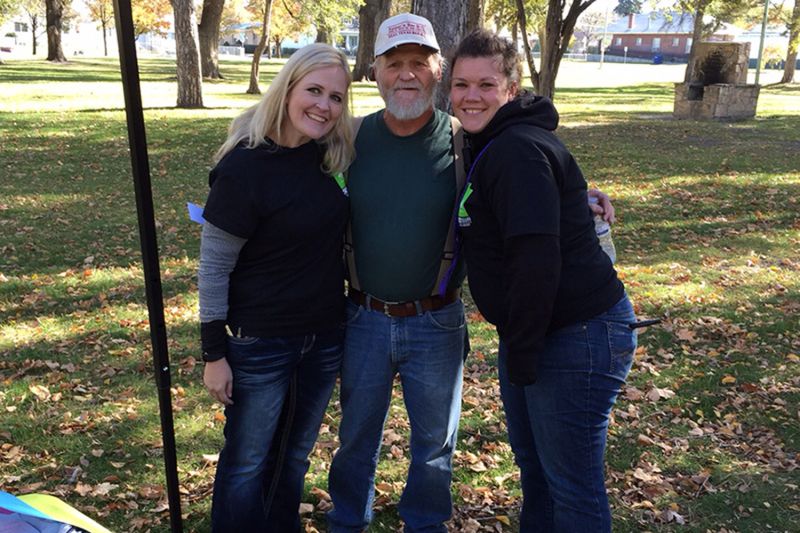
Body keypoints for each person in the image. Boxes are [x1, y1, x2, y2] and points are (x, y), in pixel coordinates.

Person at [449, 29, 637, 532]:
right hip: (539, 331)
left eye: (486, 84)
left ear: (511, 88)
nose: (471, 96)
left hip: (575, 333)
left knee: (571, 488)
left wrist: (525, 350)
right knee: (540, 475)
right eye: (461, 84)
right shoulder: (488, 142)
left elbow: (536, 258)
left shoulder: (514, 149)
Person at [197, 43, 354, 532]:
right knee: (247, 460)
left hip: (324, 337)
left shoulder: (332, 157)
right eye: (313, 90)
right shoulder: (245, 166)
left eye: (336, 97)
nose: (324, 106)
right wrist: (213, 353)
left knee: (294, 455)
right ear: (287, 88)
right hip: (259, 341)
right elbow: (214, 267)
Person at [326, 13, 467, 533]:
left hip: (437, 321)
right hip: (363, 316)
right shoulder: (348, 139)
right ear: (376, 73)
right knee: (356, 436)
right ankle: (347, 521)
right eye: (394, 64)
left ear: (437, 71)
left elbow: (522, 170)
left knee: (434, 444)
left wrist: (580, 194)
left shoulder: (462, 141)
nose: (406, 74)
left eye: (418, 63)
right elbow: (286, 163)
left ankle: (425, 522)